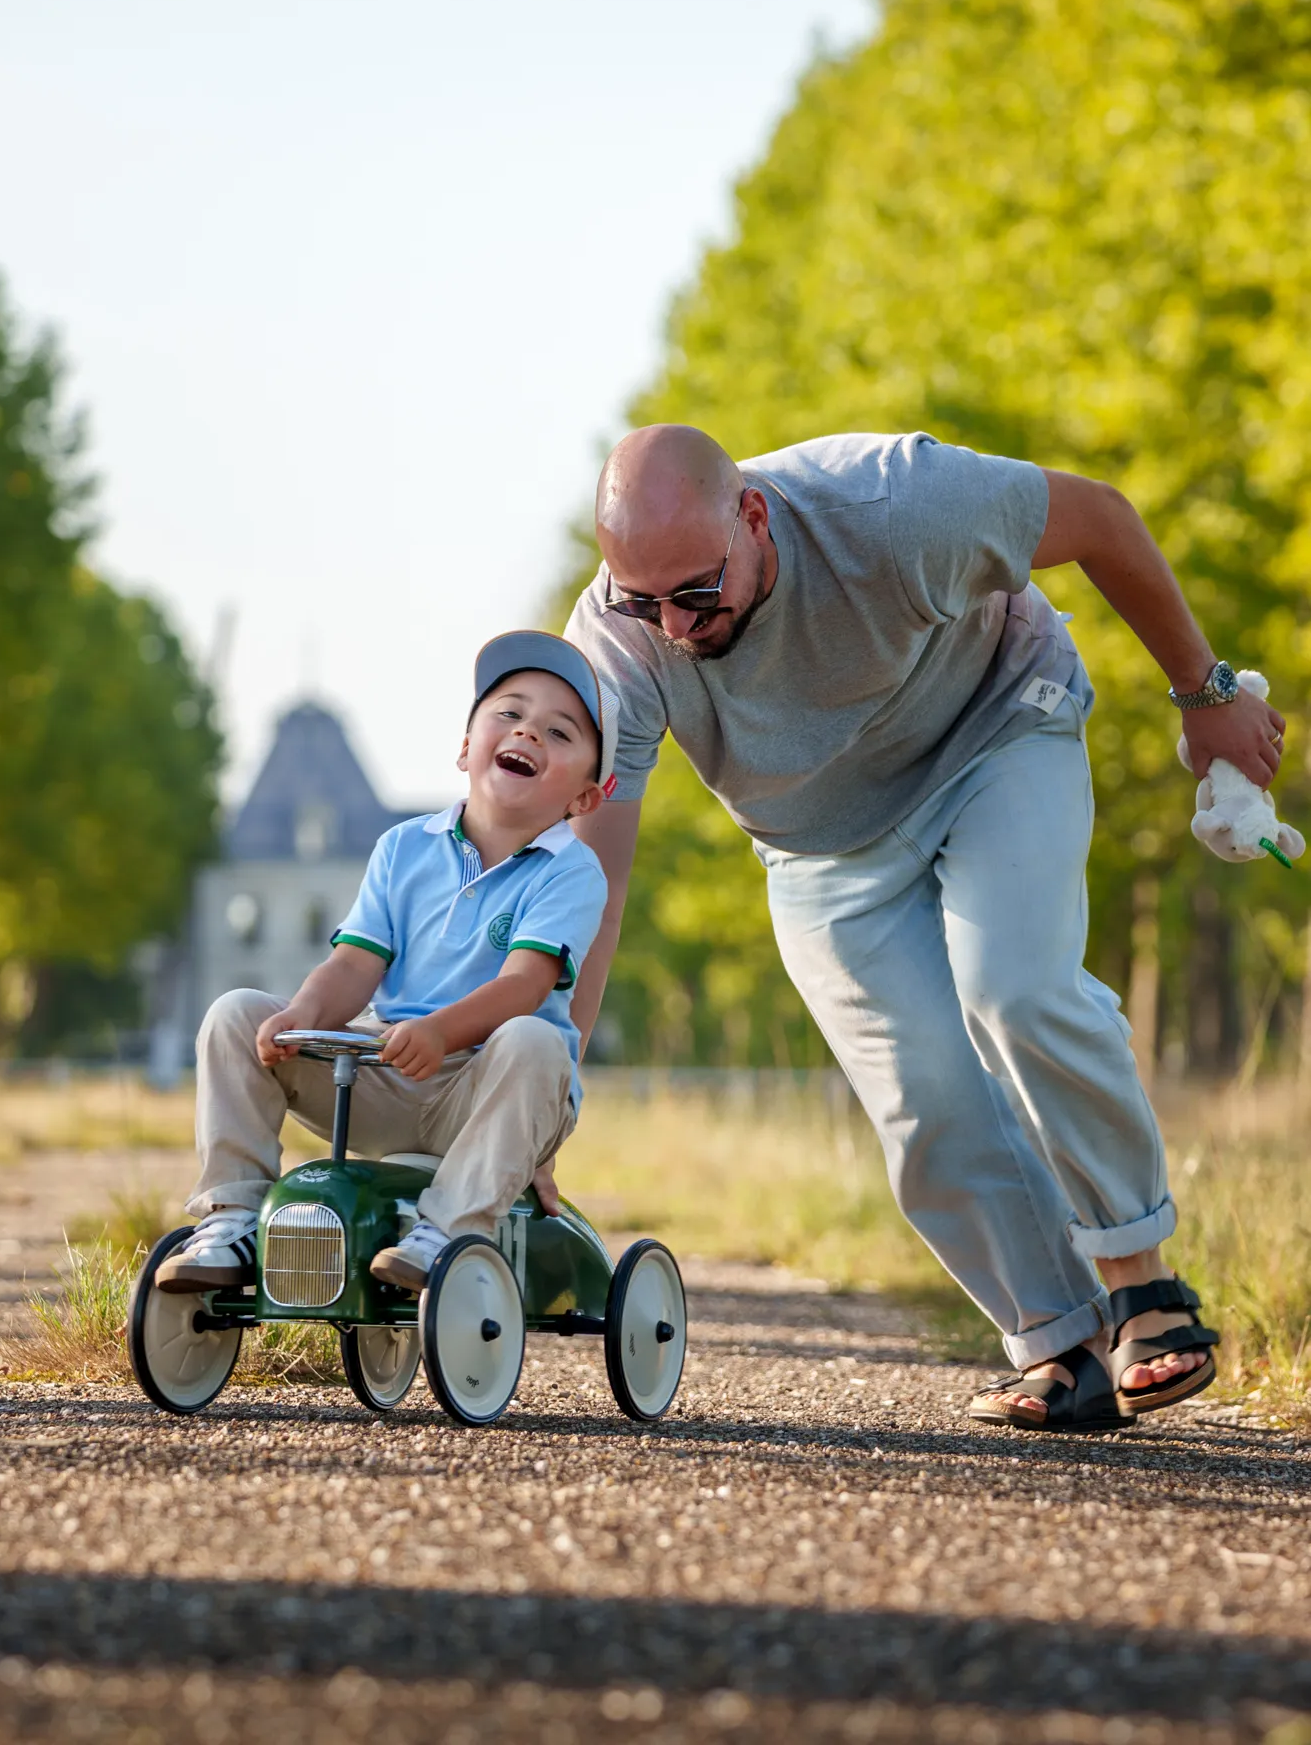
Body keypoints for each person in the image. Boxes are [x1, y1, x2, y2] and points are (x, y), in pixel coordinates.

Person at [562, 424, 1277, 1431]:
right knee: (923, 1100)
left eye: (695, 591)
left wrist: (1204, 694)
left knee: (1012, 986)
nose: (674, 626)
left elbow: (1105, 521)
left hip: (994, 728)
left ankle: (1142, 1285)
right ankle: (1060, 1342)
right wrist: (551, 1083)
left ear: (753, 516)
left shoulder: (894, 503)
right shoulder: (617, 634)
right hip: (818, 843)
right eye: (644, 599)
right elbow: (596, 873)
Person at [158, 631, 614, 1295]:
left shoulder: (570, 870)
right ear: (465, 749)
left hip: (487, 1087)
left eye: (559, 731)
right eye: (509, 714)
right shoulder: (404, 847)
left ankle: (450, 1230)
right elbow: (353, 965)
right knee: (234, 1014)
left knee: (538, 1040)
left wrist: (439, 1031)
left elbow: (525, 984)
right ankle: (233, 1218)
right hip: (383, 1071)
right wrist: (301, 1015)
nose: (529, 733)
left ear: (584, 798)